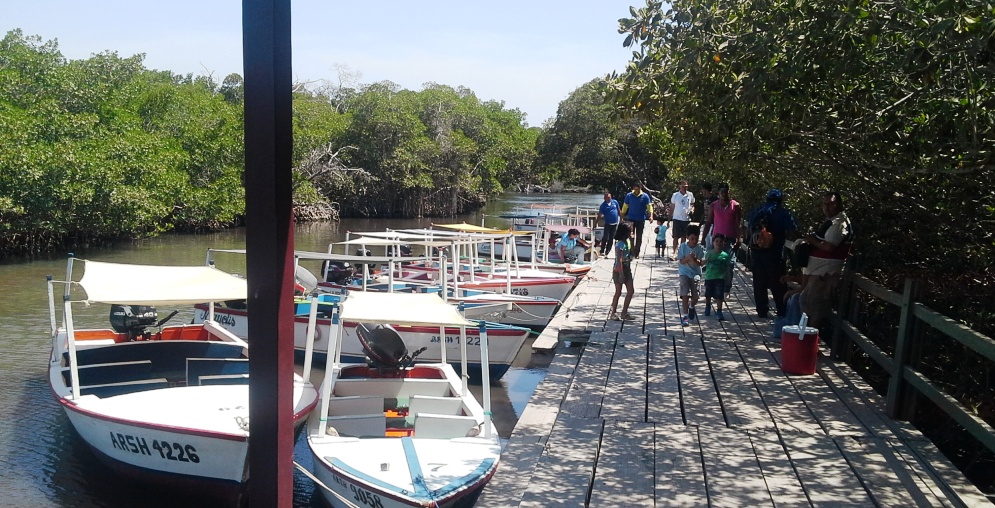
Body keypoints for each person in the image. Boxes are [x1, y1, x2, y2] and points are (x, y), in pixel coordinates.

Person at [796, 191, 854, 329]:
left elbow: (829, 247)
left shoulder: (840, 224)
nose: (827, 207)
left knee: (816, 309)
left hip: (825, 275)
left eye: (831, 204)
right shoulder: (832, 221)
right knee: (806, 303)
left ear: (839, 204)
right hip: (816, 273)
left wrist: (811, 240)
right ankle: (805, 339)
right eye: (824, 204)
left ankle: (811, 342)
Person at [746, 189, 798, 318]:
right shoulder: (782, 212)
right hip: (774, 253)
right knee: (777, 283)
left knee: (759, 282)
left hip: (757, 251)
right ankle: (781, 310)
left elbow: (749, 224)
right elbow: (793, 229)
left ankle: (762, 310)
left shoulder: (759, 210)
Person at [701, 184, 742, 294]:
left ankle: (726, 288)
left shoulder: (735, 205)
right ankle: (714, 286)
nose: (723, 194)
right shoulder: (714, 205)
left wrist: (739, 238)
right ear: (718, 193)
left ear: (729, 192)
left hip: (730, 238)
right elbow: (709, 221)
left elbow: (738, 223)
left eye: (725, 191)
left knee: (729, 263)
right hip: (717, 238)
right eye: (721, 192)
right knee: (714, 261)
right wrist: (704, 237)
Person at [677, 224, 705, 326]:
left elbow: (701, 262)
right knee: (685, 294)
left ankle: (691, 307)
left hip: (696, 274)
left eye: (696, 239)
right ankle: (685, 315)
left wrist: (694, 259)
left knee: (696, 296)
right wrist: (688, 258)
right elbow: (681, 261)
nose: (694, 241)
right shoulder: (683, 247)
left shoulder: (700, 248)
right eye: (692, 239)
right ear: (687, 237)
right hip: (684, 273)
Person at [608, 223, 636, 321]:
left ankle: (624, 312)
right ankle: (613, 312)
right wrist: (621, 274)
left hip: (627, 267)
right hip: (619, 268)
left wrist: (632, 241)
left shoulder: (628, 241)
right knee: (618, 292)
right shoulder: (619, 244)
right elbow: (618, 260)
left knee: (630, 291)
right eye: (630, 231)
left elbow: (632, 253)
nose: (631, 233)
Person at [702, 234, 732, 320]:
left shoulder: (725, 255)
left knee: (719, 296)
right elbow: (703, 263)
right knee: (708, 294)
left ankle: (719, 311)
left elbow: (727, 267)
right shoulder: (709, 253)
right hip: (709, 277)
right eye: (716, 241)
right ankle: (708, 306)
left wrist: (727, 278)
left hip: (720, 278)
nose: (718, 243)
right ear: (713, 243)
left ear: (724, 243)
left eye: (721, 241)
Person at [621, 181, 653, 258]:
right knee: (631, 236)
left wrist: (651, 216)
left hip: (641, 219)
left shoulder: (645, 196)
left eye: (637, 190)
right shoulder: (629, 195)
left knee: (639, 237)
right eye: (635, 189)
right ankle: (631, 252)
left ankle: (637, 253)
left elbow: (649, 206)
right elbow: (625, 206)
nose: (636, 191)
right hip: (631, 219)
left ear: (640, 188)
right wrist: (622, 216)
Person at [669, 181, 695, 260]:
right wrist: (669, 219)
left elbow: (693, 204)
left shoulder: (690, 195)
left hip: (686, 219)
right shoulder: (675, 195)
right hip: (677, 218)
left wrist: (692, 210)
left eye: (686, 186)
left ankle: (682, 253)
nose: (684, 187)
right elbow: (672, 207)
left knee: (684, 236)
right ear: (680, 186)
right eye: (683, 186)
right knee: (676, 236)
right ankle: (674, 253)